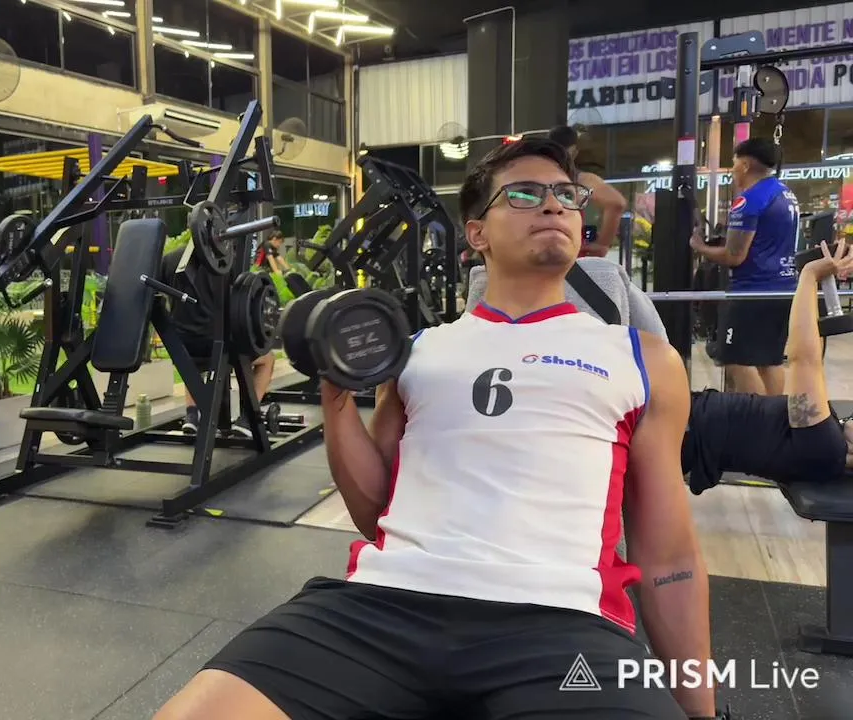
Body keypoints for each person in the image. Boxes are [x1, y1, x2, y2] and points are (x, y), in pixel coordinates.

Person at [154, 138, 717, 720]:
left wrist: (700, 709)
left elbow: (668, 556)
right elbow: (376, 512)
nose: (553, 205)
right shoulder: (415, 350)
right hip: (385, 606)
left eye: (565, 195)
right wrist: (335, 391)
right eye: (524, 194)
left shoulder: (642, 357)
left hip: (562, 622)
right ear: (477, 234)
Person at [684, 238, 853, 492]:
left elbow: (805, 360)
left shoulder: (825, 445)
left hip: (686, 426)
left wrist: (810, 275)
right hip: (690, 419)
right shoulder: (830, 446)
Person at [691, 138, 799, 396]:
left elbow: (734, 256)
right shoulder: (784, 193)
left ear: (746, 165)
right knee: (769, 360)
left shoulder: (749, 200)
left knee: (734, 359)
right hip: (783, 288)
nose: (733, 171)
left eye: (734, 164)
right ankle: (774, 414)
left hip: (752, 292)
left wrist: (700, 247)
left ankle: (756, 415)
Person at [160, 245, 276, 437]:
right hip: (218, 345)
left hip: (183, 346)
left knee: (192, 363)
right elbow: (241, 302)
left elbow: (155, 291)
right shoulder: (226, 260)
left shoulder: (170, 260)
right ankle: (247, 419)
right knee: (267, 359)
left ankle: (192, 416)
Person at [548, 125, 629, 258]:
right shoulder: (579, 180)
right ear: (573, 150)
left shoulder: (532, 177)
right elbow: (616, 203)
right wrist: (602, 244)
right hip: (569, 257)